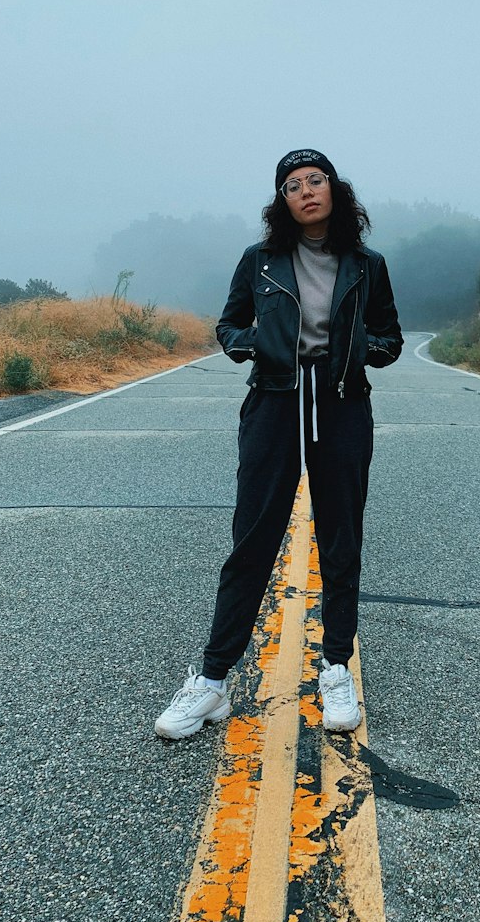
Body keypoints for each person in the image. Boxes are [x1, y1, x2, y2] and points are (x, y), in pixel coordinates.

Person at [155, 149, 403, 741]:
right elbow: (228, 325)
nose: (306, 191)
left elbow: (390, 338)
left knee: (341, 540)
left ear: (335, 191)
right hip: (273, 402)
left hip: (342, 402)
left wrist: (354, 347)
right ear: (282, 202)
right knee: (253, 542)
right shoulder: (260, 260)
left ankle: (336, 669)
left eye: (316, 180)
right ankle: (212, 682)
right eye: (293, 185)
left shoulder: (367, 264)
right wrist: (255, 344)